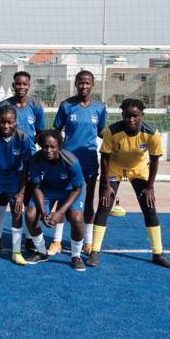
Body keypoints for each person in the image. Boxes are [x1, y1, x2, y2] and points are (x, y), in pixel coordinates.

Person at [90, 99, 170, 269]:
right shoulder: (112, 131)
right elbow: (105, 158)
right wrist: (106, 185)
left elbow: (154, 160)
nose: (131, 119)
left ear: (141, 116)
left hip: (139, 170)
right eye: (127, 116)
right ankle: (94, 251)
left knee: (149, 207)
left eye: (135, 116)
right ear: (122, 115)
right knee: (104, 205)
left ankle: (158, 254)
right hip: (114, 169)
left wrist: (150, 187)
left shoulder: (152, 133)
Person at [52, 70, 106, 256]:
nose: (84, 86)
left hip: (89, 161)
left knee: (88, 201)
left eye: (87, 83)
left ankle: (88, 242)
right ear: (76, 84)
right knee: (63, 198)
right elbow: (56, 131)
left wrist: (117, 139)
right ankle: (57, 241)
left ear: (93, 84)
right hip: (67, 161)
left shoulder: (100, 108)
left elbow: (101, 132)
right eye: (80, 82)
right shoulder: (66, 106)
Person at [0, 71, 45, 253]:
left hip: (26, 159)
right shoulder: (4, 105)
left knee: (25, 199)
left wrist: (27, 146)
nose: (21, 87)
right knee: (3, 200)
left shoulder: (36, 106)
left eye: (24, 84)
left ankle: (29, 238)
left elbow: (41, 131)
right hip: (6, 159)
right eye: (18, 84)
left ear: (29, 85)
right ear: (13, 85)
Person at [0, 105, 36, 265]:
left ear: (15, 122)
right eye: (2, 122)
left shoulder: (23, 137)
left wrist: (22, 193)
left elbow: (26, 166)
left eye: (9, 122)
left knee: (17, 210)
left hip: (14, 176)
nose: (5, 126)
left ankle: (16, 252)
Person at [25, 130, 86, 271]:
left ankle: (76, 256)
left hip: (71, 190)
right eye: (45, 146)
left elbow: (78, 188)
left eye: (53, 147)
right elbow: (37, 186)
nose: (48, 150)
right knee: (30, 215)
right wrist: (43, 212)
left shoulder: (71, 161)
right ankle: (41, 252)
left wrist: (59, 213)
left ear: (59, 146)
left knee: (77, 218)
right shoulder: (36, 160)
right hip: (48, 189)